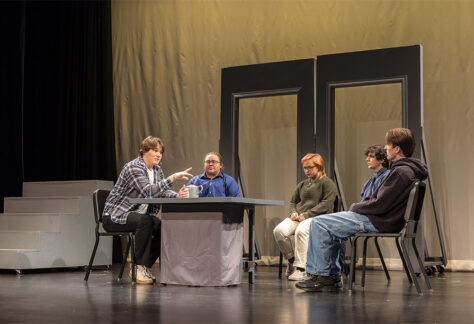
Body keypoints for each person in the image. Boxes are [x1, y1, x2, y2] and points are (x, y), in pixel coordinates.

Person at [296, 128, 428, 292]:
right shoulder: (404, 170)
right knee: (327, 225)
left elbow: (379, 204)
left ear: (397, 148)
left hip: (379, 220)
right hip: (380, 218)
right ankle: (328, 275)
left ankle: (323, 276)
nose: (385, 148)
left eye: (388, 145)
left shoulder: (401, 172)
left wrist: (355, 207)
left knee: (319, 223)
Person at [102, 136, 193, 284]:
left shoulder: (157, 170)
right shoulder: (133, 167)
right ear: (144, 151)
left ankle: (144, 266)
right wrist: (172, 178)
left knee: (163, 226)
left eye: (161, 152)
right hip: (115, 215)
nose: (158, 155)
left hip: (139, 216)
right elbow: (148, 191)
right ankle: (138, 267)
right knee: (146, 221)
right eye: (155, 151)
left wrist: (177, 195)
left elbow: (161, 192)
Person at [273, 153, 338, 281]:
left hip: (319, 218)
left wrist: (307, 215)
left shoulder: (327, 183)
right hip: (299, 217)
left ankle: (301, 269)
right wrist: (293, 212)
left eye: (310, 167)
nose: (307, 171)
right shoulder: (302, 184)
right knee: (279, 231)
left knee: (301, 231)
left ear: (319, 167)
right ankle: (292, 261)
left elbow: (326, 204)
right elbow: (293, 201)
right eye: (305, 168)